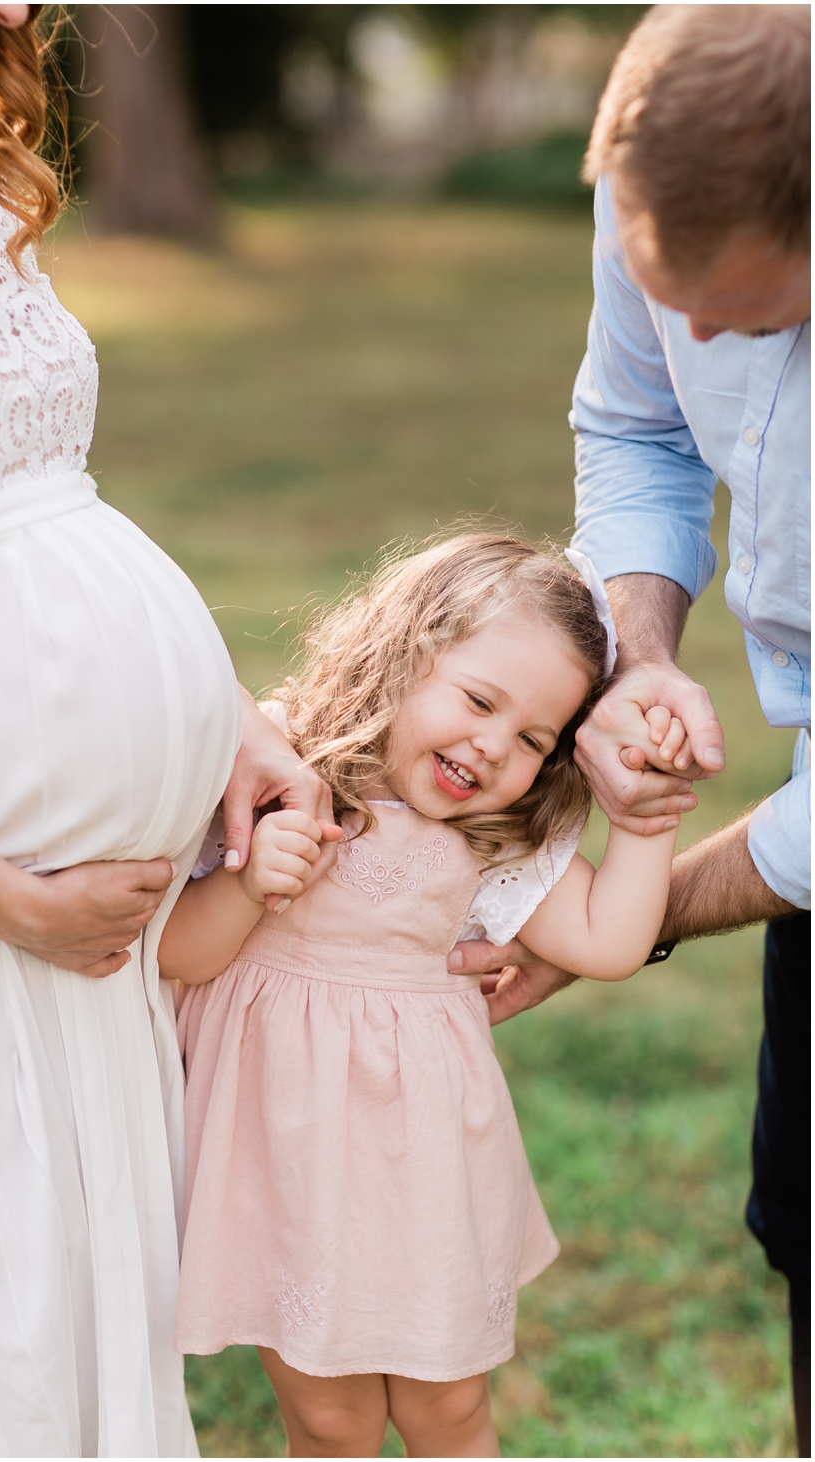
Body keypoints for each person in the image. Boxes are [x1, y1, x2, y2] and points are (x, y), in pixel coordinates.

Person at [0, 8, 330, 1454]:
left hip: (86, 954)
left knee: (79, 1313)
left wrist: (227, 718)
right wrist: (11, 898)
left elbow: (55, 488)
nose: (4, 11)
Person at [451, 8, 810, 1448]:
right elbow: (643, 431)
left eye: (753, 312)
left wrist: (627, 905)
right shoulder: (662, 167)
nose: (704, 338)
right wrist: (633, 655)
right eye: (676, 297)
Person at [164, 536, 681, 1457]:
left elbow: (606, 941)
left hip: (426, 1170)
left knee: (448, 1413)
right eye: (480, 701)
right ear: (406, 649)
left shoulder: (491, 842)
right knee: (329, 1420)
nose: (492, 748)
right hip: (279, 1168)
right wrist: (244, 889)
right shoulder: (272, 768)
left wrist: (642, 821)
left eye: (532, 739)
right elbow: (176, 956)